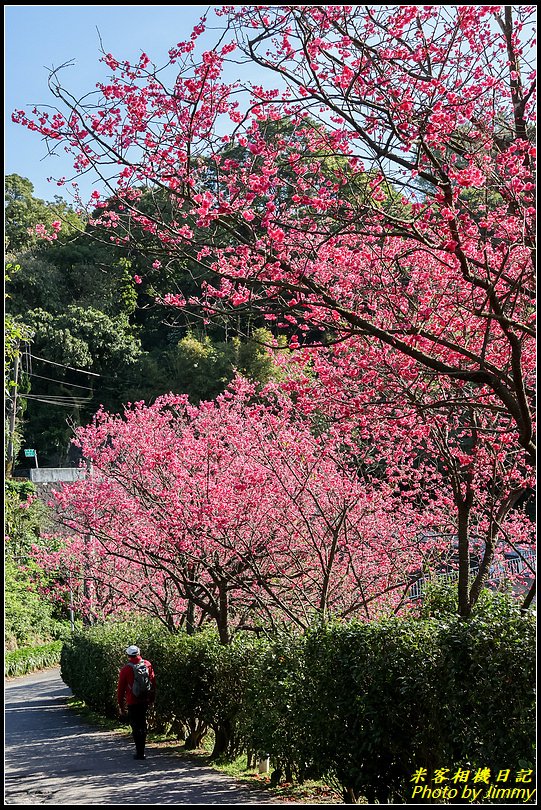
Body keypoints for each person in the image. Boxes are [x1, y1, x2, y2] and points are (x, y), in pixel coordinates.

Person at [117, 644, 156, 760]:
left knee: (135, 726)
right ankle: (143, 750)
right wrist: (152, 699)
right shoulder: (147, 664)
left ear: (128, 655)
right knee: (143, 724)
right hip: (144, 700)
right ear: (139, 653)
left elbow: (121, 689)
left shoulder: (126, 669)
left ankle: (139, 752)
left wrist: (121, 705)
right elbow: (153, 682)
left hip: (132, 701)